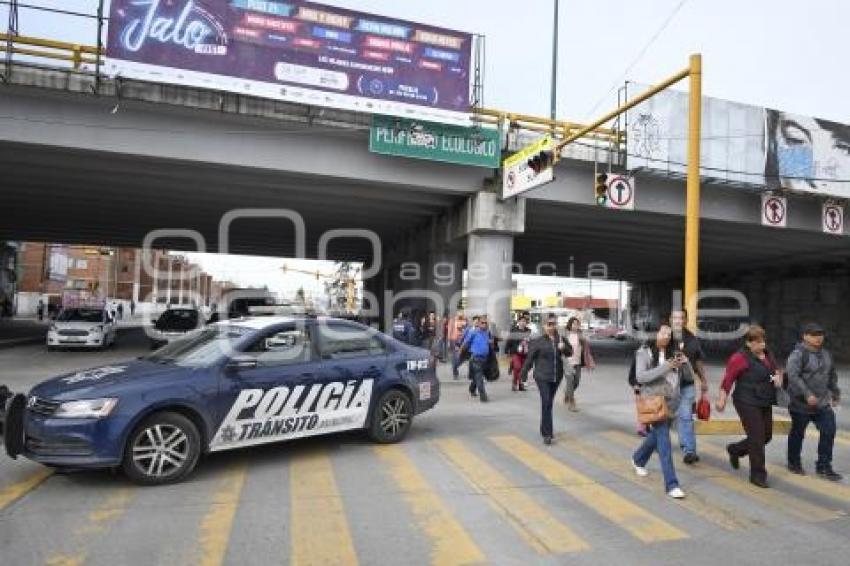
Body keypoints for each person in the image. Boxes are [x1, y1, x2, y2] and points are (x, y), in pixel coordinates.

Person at [716, 325, 783, 488]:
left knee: (766, 435)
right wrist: (721, 400)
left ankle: (735, 450)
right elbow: (728, 380)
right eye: (758, 342)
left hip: (764, 400)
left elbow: (775, 371)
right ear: (748, 343)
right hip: (746, 401)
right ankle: (757, 475)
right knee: (757, 437)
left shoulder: (767, 355)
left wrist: (778, 378)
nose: (763, 345)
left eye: (763, 341)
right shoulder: (739, 358)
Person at [631, 322, 686, 499]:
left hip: (671, 401)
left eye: (669, 335)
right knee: (664, 441)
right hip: (654, 402)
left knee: (655, 436)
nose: (666, 337)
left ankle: (638, 458)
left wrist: (685, 363)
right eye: (663, 333)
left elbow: (686, 377)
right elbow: (641, 376)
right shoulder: (644, 352)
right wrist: (666, 366)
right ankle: (671, 484)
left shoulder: (674, 353)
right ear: (655, 334)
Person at [785, 323, 842, 481]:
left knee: (829, 431)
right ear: (805, 336)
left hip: (822, 403)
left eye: (820, 334)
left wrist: (835, 392)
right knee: (798, 433)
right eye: (814, 334)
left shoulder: (826, 354)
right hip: (800, 403)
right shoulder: (798, 354)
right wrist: (807, 394)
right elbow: (793, 376)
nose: (818, 337)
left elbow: (831, 374)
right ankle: (794, 462)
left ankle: (824, 466)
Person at [521, 314, 573, 445]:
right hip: (542, 376)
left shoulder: (561, 339)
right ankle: (548, 433)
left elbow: (570, 352)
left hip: (556, 376)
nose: (551, 327)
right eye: (549, 324)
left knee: (548, 403)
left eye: (553, 324)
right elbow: (529, 359)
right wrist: (524, 373)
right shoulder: (537, 341)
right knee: (546, 402)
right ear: (544, 326)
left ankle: (544, 428)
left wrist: (564, 348)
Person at [669, 309, 710, 465]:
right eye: (675, 318)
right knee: (663, 419)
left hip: (687, 384)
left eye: (682, 318)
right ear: (670, 319)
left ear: (686, 321)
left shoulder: (692, 339)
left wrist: (704, 380)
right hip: (667, 387)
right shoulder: (665, 336)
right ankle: (654, 442)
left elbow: (698, 360)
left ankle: (689, 451)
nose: (678, 321)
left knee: (685, 417)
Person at [563, 317, 596, 411]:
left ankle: (567, 393)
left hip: (577, 362)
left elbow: (586, 351)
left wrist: (590, 361)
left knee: (576, 382)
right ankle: (571, 403)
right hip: (567, 363)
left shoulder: (580, 336)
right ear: (570, 325)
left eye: (577, 324)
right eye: (574, 324)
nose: (576, 325)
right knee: (570, 382)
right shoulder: (565, 335)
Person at [461, 315, 494, 403]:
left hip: (485, 359)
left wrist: (491, 343)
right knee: (479, 377)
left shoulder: (487, 333)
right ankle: (483, 397)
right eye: (482, 323)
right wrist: (461, 353)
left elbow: (490, 343)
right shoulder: (473, 332)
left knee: (478, 377)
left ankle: (472, 388)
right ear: (478, 323)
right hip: (476, 358)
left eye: (486, 323)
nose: (484, 324)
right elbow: (465, 343)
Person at [505, 315, 531, 391]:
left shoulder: (528, 331)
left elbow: (531, 341)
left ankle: (520, 384)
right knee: (517, 367)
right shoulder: (514, 330)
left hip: (525, 353)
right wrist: (507, 351)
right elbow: (509, 341)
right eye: (521, 321)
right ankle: (514, 383)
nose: (523, 323)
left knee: (523, 369)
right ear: (518, 322)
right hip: (515, 352)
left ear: (526, 323)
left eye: (524, 321)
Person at [449, 313, 468, 379]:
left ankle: (454, 367)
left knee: (463, 357)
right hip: (454, 340)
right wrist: (450, 341)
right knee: (455, 356)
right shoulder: (453, 321)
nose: (460, 313)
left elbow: (467, 330)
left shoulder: (465, 320)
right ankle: (455, 372)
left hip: (463, 341)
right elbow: (450, 331)